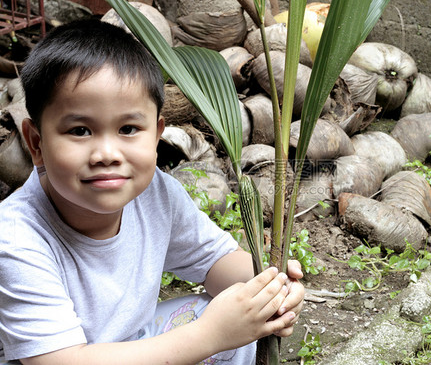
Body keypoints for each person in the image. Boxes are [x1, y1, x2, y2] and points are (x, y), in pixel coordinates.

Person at [0, 18, 304, 365]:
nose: (107, 155)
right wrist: (209, 335)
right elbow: (58, 361)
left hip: (131, 346)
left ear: (156, 134)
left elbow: (217, 263)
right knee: (217, 329)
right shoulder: (15, 237)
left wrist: (270, 285)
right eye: (80, 130)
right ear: (36, 143)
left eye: (128, 128)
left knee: (237, 317)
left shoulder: (156, 195)